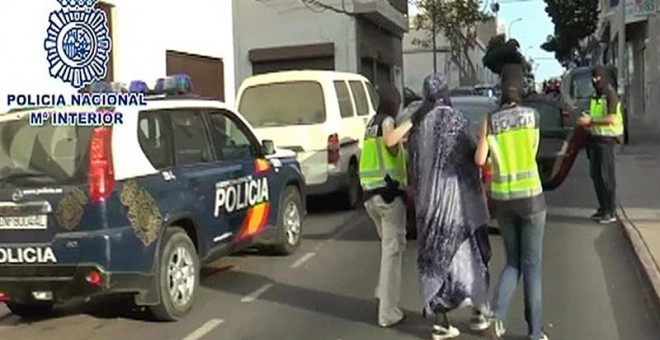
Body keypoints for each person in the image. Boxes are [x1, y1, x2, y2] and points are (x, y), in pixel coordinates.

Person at [408, 73, 492, 340]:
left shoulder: (418, 128)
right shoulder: (454, 121)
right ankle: (479, 313)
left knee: (434, 262)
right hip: (456, 207)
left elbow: (413, 169)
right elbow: (471, 157)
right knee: (469, 258)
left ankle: (441, 323)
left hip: (427, 210)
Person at [475, 64, 549, 340]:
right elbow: (532, 151)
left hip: (504, 201)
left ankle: (497, 318)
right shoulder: (534, 116)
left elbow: (480, 159)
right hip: (531, 199)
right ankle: (535, 332)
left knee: (512, 263)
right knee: (532, 267)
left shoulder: (490, 120)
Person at [359, 86, 413, 328]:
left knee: (388, 248)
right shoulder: (388, 122)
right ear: (394, 105)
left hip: (371, 197)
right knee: (393, 252)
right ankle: (388, 312)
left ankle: (382, 293)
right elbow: (391, 141)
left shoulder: (371, 123)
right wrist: (411, 122)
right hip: (388, 195)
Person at [578, 65, 623, 224]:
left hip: (607, 140)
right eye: (593, 78)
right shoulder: (595, 96)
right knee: (595, 175)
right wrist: (588, 119)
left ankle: (610, 210)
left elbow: (611, 118)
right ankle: (603, 208)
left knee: (606, 177)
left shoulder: (610, 95)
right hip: (594, 139)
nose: (595, 80)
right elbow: (596, 115)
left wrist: (591, 121)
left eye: (598, 78)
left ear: (604, 78)